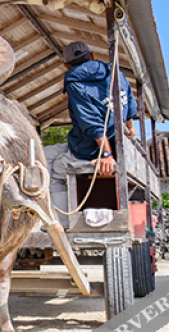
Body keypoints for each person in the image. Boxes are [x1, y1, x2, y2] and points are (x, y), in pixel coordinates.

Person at [44, 41, 137, 226]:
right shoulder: (116, 73)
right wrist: (131, 128)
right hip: (106, 144)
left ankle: (62, 223)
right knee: (45, 153)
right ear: (92, 55)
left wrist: (106, 154)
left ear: (66, 65)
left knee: (51, 168)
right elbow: (131, 106)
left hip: (89, 150)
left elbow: (92, 123)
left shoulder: (74, 82)